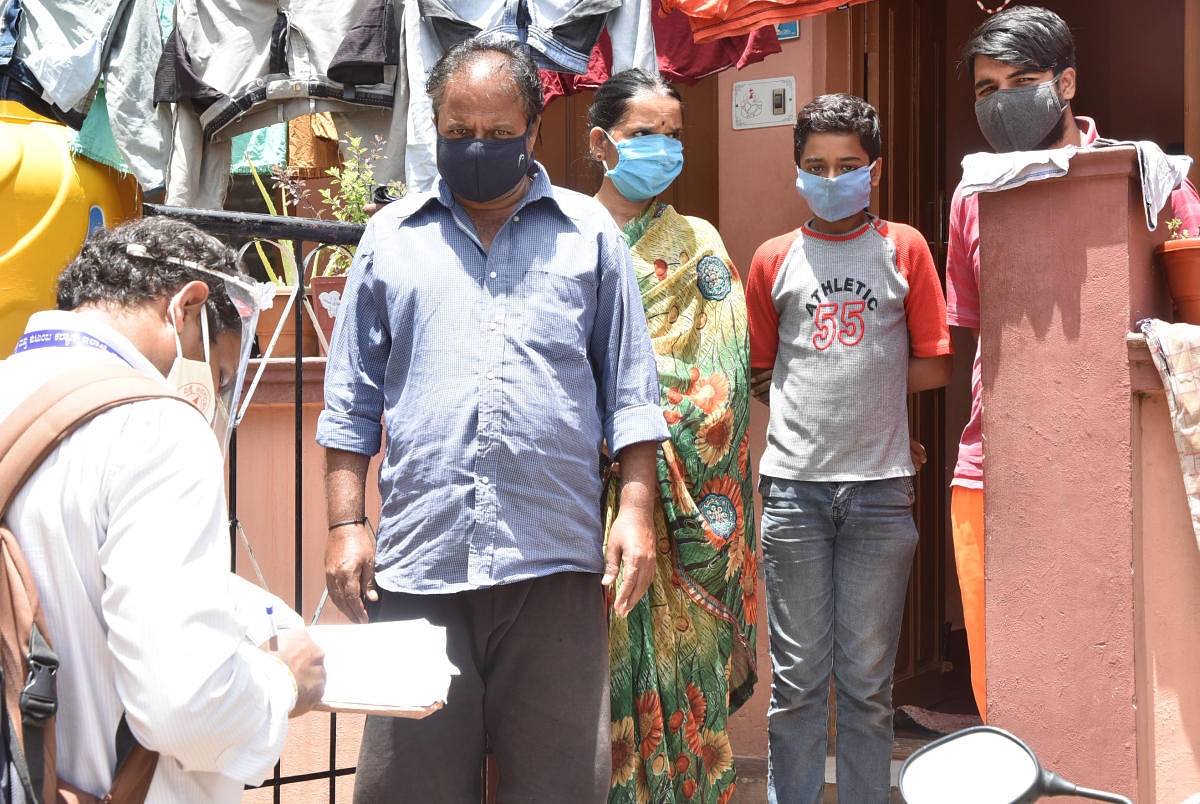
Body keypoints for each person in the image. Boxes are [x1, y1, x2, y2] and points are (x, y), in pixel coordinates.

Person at [316, 37, 669, 803]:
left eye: (498, 135)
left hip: (555, 566)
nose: (477, 149)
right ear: (436, 125)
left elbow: (632, 394)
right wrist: (347, 525)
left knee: (558, 788)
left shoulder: (589, 235)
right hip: (418, 568)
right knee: (409, 789)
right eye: (458, 133)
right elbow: (350, 401)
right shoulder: (391, 238)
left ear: (534, 132)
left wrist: (636, 511)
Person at [0, 216, 327, 801]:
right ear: (188, 307)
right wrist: (282, 682)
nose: (211, 398)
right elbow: (185, 705)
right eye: (221, 374)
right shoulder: (157, 424)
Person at [947, 5, 1200, 720]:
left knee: (1120, 689)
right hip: (989, 469)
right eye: (984, 89)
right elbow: (973, 326)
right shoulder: (973, 196)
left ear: (1065, 84)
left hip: (1123, 468)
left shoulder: (1145, 178)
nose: (1000, 102)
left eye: (1019, 81)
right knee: (1002, 689)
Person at [745, 93, 953, 804]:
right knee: (798, 687)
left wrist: (878, 421)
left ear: (876, 170)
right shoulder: (773, 259)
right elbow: (767, 371)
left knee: (867, 688)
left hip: (879, 495)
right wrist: (832, 413)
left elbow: (934, 361)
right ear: (796, 171)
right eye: (815, 166)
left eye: (847, 165)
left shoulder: (906, 248)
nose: (831, 177)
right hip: (793, 495)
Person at [586, 69, 758, 803]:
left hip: (683, 512)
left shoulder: (698, 243)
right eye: (642, 134)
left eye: (673, 135)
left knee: (681, 696)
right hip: (571, 504)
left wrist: (630, 424)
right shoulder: (565, 232)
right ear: (600, 142)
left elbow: (722, 382)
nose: (662, 148)